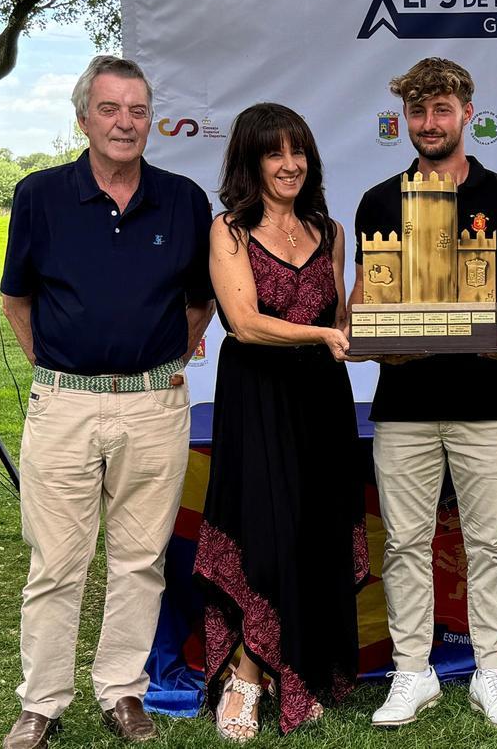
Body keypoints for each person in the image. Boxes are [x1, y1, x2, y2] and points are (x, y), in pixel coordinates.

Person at [0, 55, 213, 749]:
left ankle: (121, 690)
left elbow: (199, 304)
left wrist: (158, 363)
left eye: (138, 110)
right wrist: (62, 365)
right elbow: (16, 297)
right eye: (111, 109)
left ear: (151, 119)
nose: (125, 123)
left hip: (154, 407)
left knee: (139, 560)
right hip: (64, 406)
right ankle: (41, 703)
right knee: (56, 562)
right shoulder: (38, 196)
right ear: (83, 116)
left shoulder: (183, 199)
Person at [349, 58, 497, 729]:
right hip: (402, 405)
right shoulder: (378, 200)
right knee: (404, 542)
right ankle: (412, 672)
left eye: (441, 110)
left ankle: (492, 671)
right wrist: (365, 328)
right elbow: (364, 298)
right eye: (418, 112)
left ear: (466, 112)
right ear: (407, 119)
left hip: (487, 403)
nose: (429, 124)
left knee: (488, 542)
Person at [192, 103, 368, 741]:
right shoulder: (229, 232)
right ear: (252, 160)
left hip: (322, 399)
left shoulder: (331, 229)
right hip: (258, 398)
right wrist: (323, 332)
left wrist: (375, 309)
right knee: (265, 530)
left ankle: (299, 669)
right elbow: (243, 323)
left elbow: (342, 318)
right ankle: (245, 672)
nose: (289, 164)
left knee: (315, 529)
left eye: (298, 152)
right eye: (274, 153)